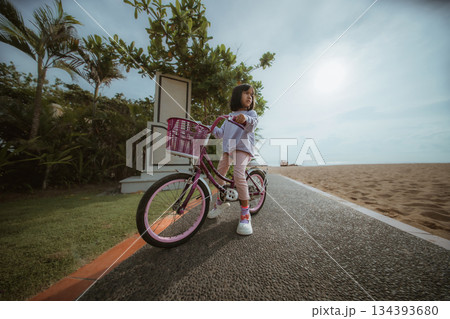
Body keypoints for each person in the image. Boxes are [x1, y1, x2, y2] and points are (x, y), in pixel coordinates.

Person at [207, 84, 258, 236]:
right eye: (246, 93)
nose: (250, 96)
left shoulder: (252, 113)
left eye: (252, 94)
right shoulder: (229, 117)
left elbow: (252, 124)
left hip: (243, 148)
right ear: (237, 95)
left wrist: (245, 119)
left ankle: (245, 214)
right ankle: (221, 202)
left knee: (238, 174)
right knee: (219, 176)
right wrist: (209, 127)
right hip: (229, 149)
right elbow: (220, 133)